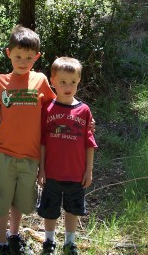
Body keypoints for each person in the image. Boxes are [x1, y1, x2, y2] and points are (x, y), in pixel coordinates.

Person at [0, 25, 56, 255]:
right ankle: (2, 242)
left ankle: (14, 236)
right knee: (3, 201)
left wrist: (82, 120)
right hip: (4, 154)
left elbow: (56, 110)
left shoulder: (41, 81)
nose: (23, 62)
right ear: (9, 54)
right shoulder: (0, 82)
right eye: (18, 56)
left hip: (31, 156)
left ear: (37, 57)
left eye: (28, 57)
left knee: (21, 202)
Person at [37, 57, 97, 255]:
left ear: (79, 80)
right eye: (62, 82)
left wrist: (89, 170)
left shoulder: (84, 111)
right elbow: (43, 142)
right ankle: (49, 242)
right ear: (52, 81)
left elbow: (89, 143)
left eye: (72, 81)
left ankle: (70, 242)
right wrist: (42, 169)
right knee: (50, 209)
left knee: (72, 210)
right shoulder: (47, 109)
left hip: (76, 174)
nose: (68, 86)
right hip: (52, 172)